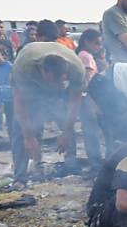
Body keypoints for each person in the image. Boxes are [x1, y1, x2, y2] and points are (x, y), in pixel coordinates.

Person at [10, 41, 85, 187]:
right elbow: (20, 103)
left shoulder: (76, 68)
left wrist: (67, 131)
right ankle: (20, 177)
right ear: (42, 71)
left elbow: (74, 101)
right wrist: (28, 137)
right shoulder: (24, 67)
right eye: (50, 80)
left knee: (65, 119)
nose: (51, 85)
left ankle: (71, 166)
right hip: (31, 88)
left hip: (59, 93)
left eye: (57, 81)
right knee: (20, 129)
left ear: (65, 75)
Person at [77, 29, 108, 167]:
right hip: (89, 99)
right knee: (92, 132)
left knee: (91, 132)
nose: (99, 46)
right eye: (96, 43)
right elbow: (87, 82)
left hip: (87, 99)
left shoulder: (85, 55)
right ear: (87, 42)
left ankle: (95, 161)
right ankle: (95, 163)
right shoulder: (86, 57)